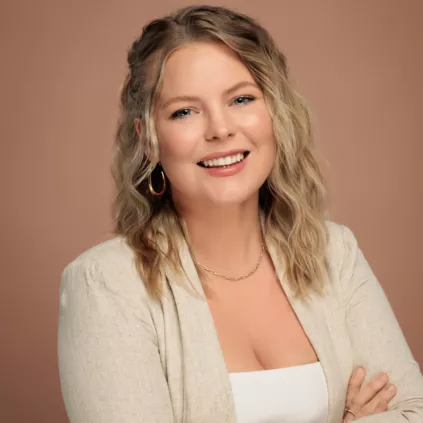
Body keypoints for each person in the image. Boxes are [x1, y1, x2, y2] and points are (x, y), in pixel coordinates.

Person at [57, 5, 423, 423]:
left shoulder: (334, 254)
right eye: (184, 111)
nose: (220, 129)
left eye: (241, 99)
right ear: (149, 139)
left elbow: (414, 410)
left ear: (276, 113)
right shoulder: (105, 285)